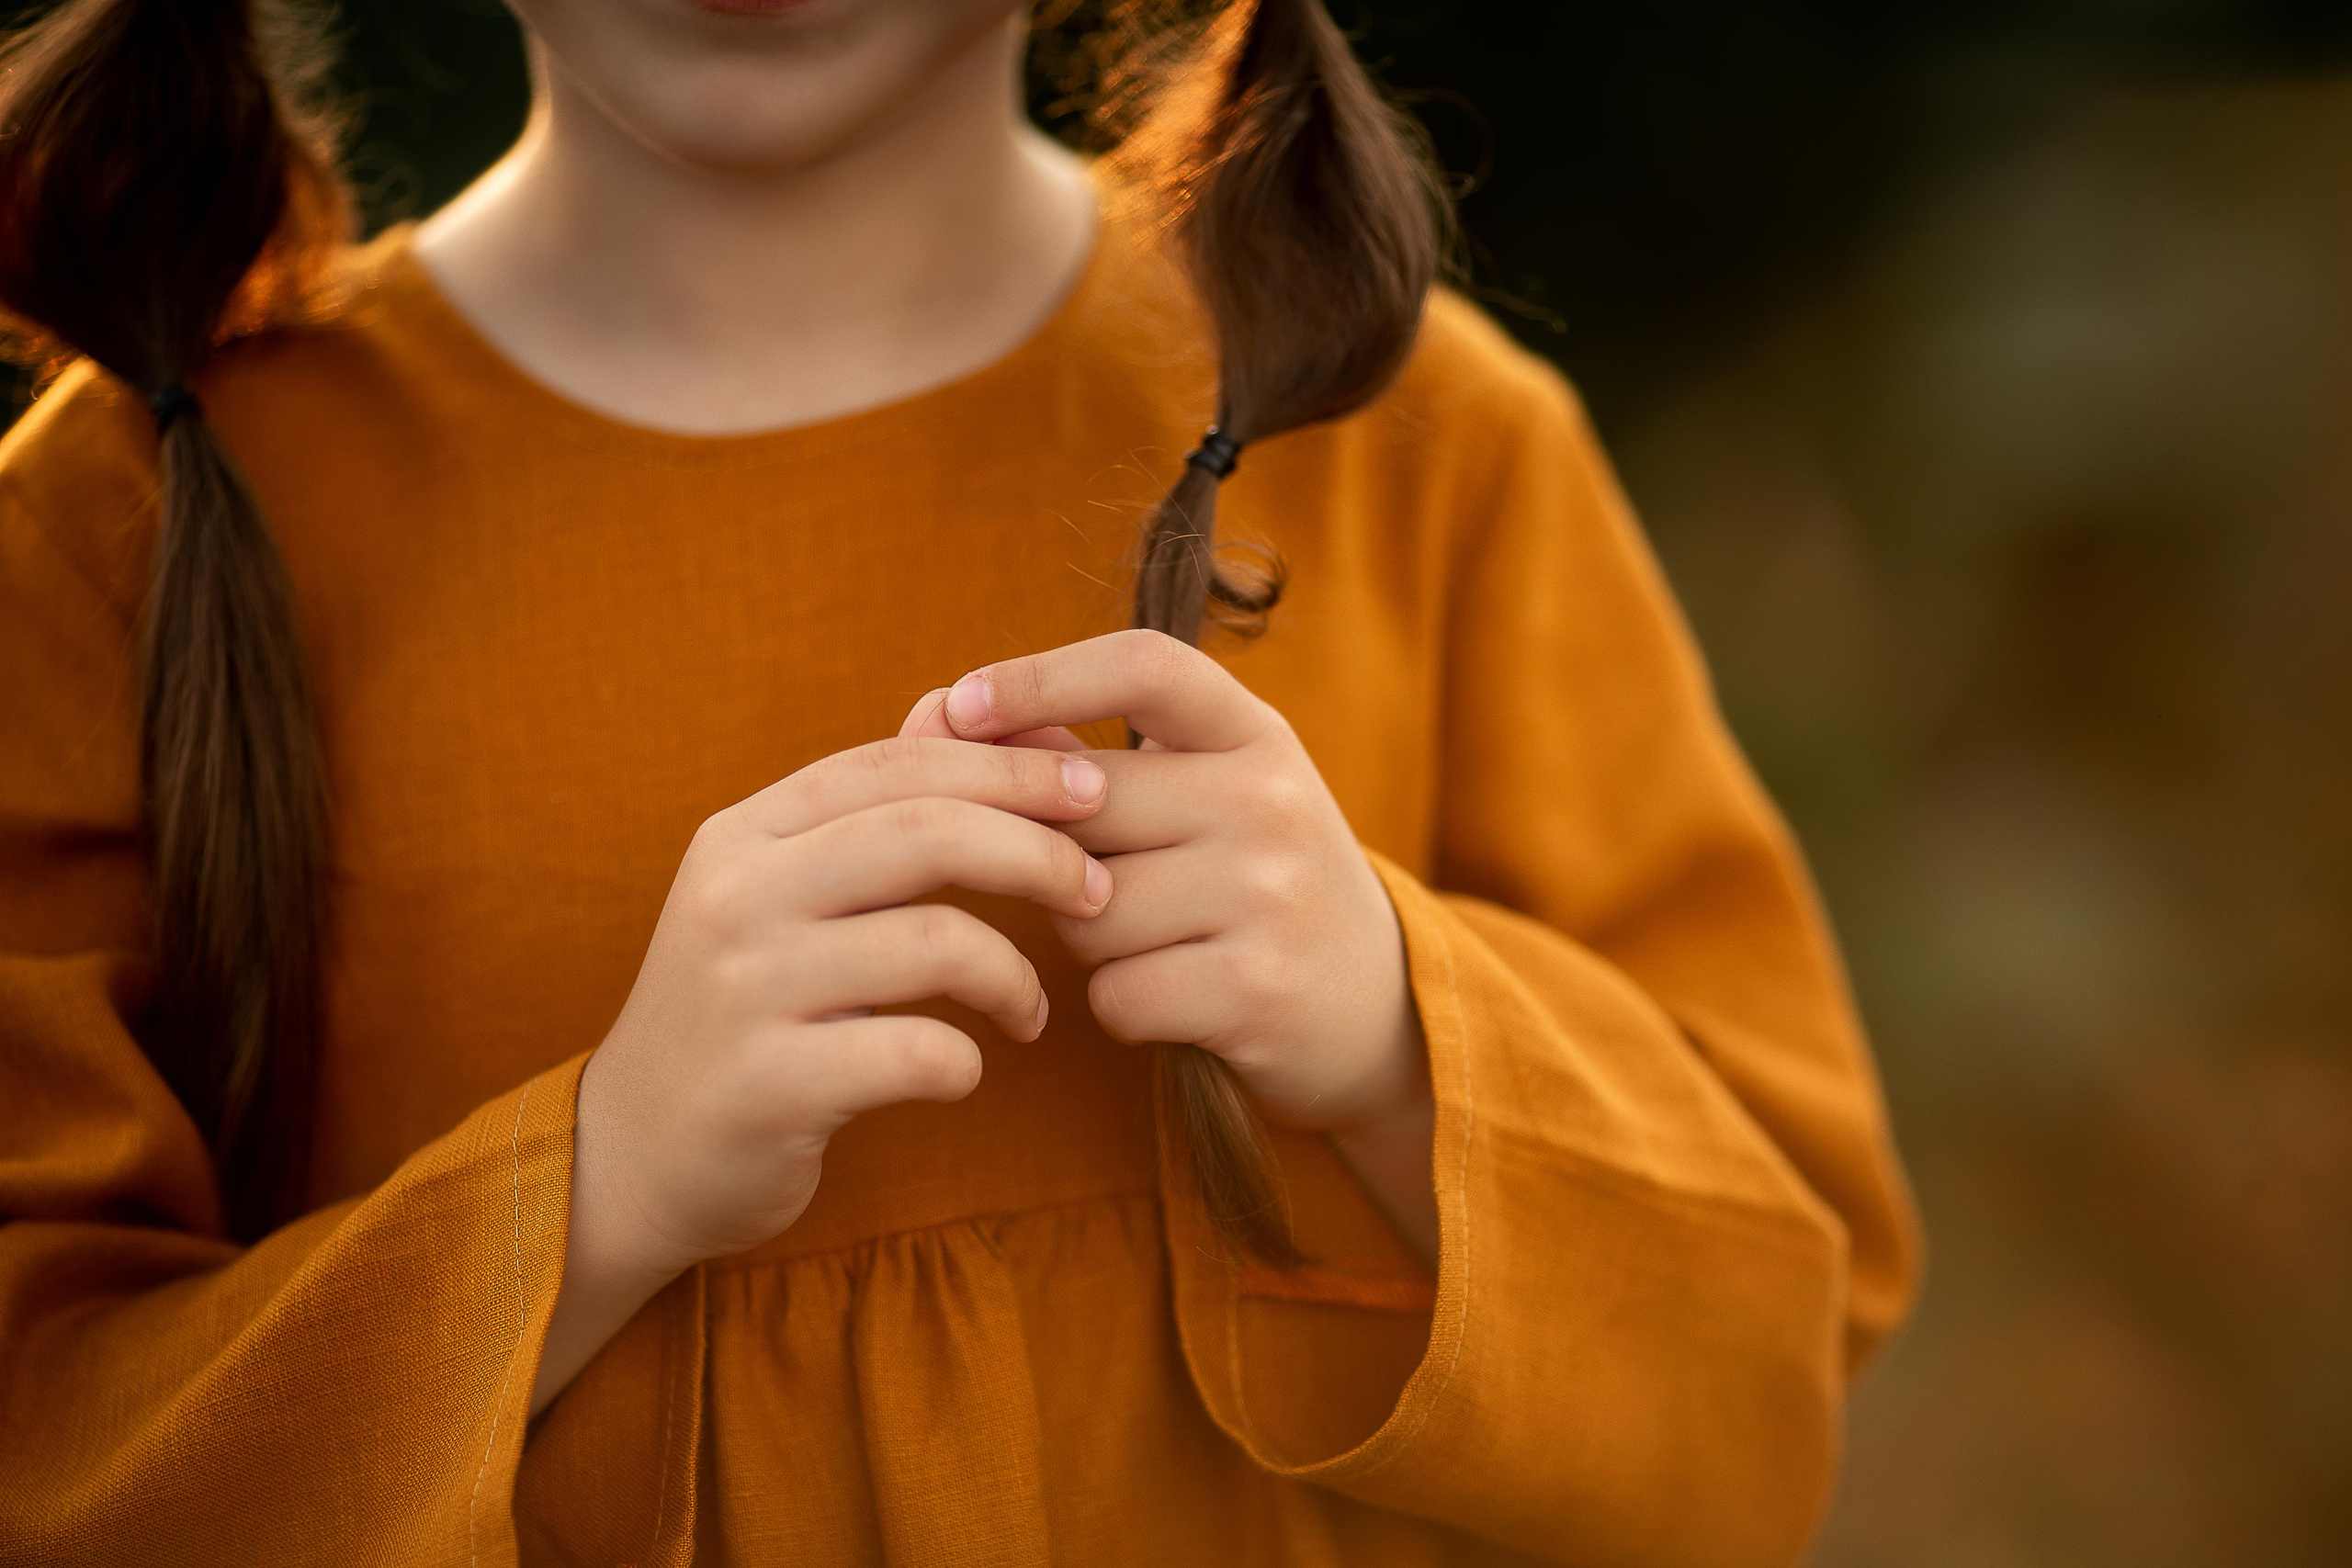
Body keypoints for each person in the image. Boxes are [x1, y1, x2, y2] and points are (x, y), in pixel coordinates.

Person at [0, 0, 1920, 1562]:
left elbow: (1772, 1367)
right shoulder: (120, 527)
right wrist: (586, 1199)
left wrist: (1402, 1045)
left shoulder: (1424, 448)